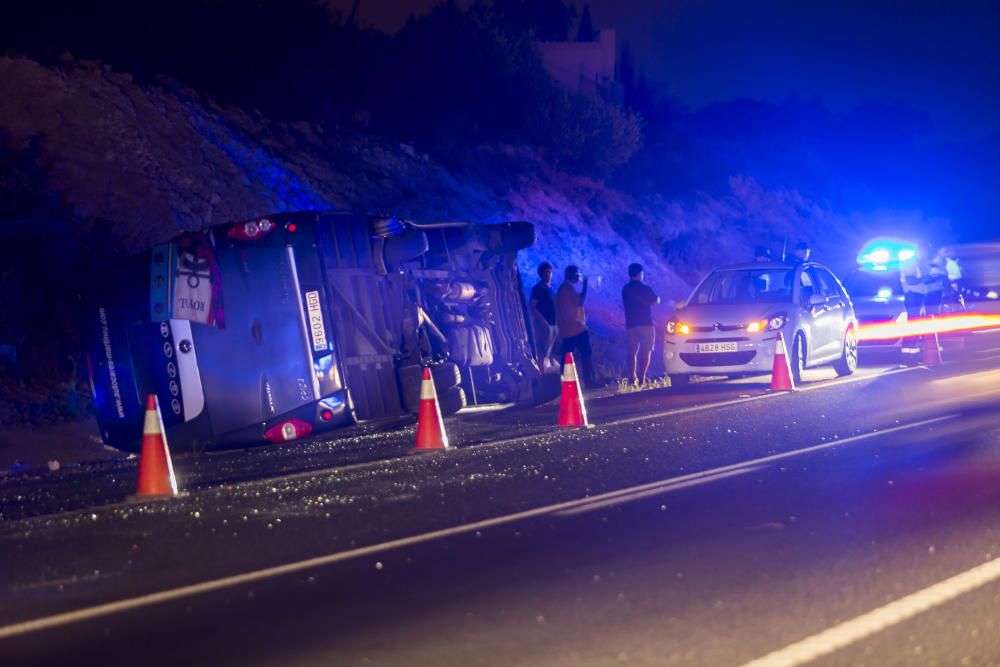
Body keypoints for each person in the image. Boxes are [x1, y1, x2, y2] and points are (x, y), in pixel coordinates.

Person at [555, 265, 596, 388]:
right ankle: (590, 381)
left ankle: (565, 383)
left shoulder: (562, 290)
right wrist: (585, 285)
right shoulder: (568, 289)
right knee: (586, 354)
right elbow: (580, 301)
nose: (578, 277)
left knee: (567, 357)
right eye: (577, 275)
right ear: (571, 275)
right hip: (576, 328)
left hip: (566, 329)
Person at [622, 263, 660, 385]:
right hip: (646, 324)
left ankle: (632, 377)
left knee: (632, 352)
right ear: (640, 274)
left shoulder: (625, 289)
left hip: (631, 325)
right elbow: (655, 301)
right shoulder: (646, 289)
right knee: (646, 351)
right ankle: (642, 377)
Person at [528, 262, 558, 369]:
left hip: (553, 324)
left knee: (549, 352)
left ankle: (547, 373)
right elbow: (532, 306)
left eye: (550, 272)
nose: (548, 275)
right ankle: (540, 374)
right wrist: (543, 321)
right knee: (542, 352)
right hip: (544, 325)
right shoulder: (538, 288)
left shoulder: (549, 289)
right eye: (546, 272)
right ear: (541, 274)